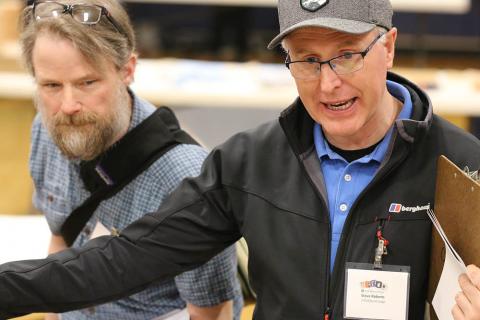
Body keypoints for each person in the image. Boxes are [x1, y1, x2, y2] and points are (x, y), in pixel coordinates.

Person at [0, 0, 479, 319]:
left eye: (347, 55)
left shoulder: (462, 168)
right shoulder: (250, 163)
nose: (328, 83)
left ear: (389, 46)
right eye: (306, 60)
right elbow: (125, 259)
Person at [19, 0, 242, 319]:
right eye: (51, 85)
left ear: (128, 70)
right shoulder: (46, 128)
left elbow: (211, 312)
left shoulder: (185, 176)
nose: (68, 105)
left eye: (87, 82)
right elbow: (61, 239)